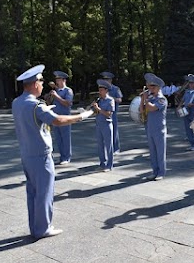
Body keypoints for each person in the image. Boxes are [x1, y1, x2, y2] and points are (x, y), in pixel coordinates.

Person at [12, 65, 92, 239]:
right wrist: (82, 116)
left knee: (32, 193)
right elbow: (58, 120)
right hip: (41, 155)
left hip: (27, 154)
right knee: (45, 192)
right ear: (34, 84)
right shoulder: (36, 106)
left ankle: (35, 226)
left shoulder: (17, 102)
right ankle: (44, 228)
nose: (43, 84)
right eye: (41, 81)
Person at [139, 73, 167, 180]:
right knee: (153, 152)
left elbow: (152, 108)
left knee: (160, 152)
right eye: (150, 86)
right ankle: (154, 171)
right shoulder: (149, 98)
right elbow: (142, 110)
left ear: (158, 87)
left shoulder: (161, 99)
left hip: (159, 129)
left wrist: (146, 99)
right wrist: (143, 99)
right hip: (150, 127)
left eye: (153, 87)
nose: (150, 88)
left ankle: (161, 172)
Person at [50, 71, 74, 165]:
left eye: (58, 79)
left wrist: (56, 96)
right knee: (58, 138)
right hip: (56, 117)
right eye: (56, 79)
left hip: (65, 117)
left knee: (65, 138)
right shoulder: (56, 91)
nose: (57, 81)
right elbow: (50, 102)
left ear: (63, 80)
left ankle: (67, 157)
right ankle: (62, 156)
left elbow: (67, 103)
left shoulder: (68, 90)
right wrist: (50, 96)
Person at [93, 79, 116, 172]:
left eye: (102, 90)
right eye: (99, 89)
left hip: (107, 124)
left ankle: (109, 165)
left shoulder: (110, 100)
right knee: (100, 145)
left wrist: (99, 109)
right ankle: (102, 163)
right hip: (99, 124)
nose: (100, 92)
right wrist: (94, 108)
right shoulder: (99, 100)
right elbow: (96, 112)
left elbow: (109, 114)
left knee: (108, 145)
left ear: (106, 90)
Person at [100, 72, 123, 154]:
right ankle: (108, 148)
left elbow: (120, 100)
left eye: (107, 79)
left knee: (114, 131)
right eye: (104, 79)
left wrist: (111, 97)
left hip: (113, 112)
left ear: (111, 80)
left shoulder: (115, 89)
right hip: (103, 113)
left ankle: (116, 148)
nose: (106, 81)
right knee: (105, 132)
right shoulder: (102, 89)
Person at [180, 74, 194, 151]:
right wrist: (179, 106)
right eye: (190, 83)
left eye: (192, 83)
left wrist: (193, 105)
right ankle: (191, 143)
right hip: (186, 111)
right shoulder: (187, 92)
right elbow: (183, 100)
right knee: (188, 129)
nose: (190, 85)